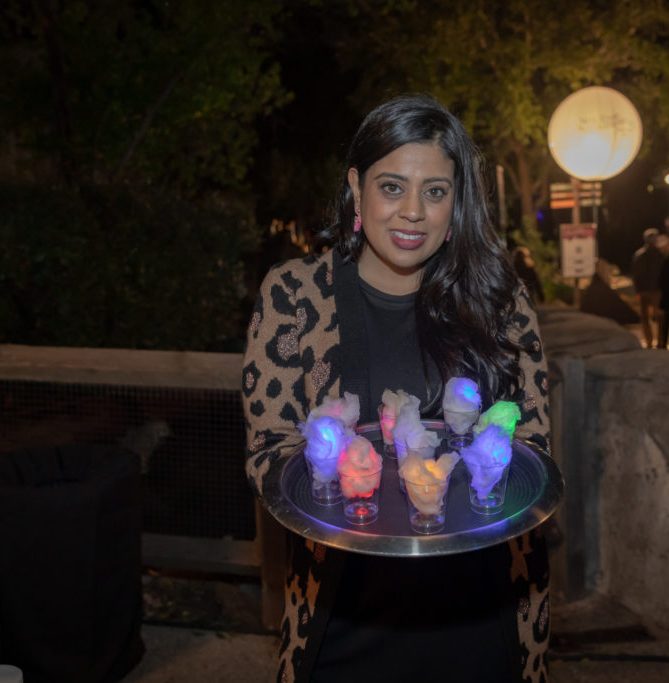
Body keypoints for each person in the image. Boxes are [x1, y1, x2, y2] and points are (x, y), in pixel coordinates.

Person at [242, 94, 552, 683]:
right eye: (392, 187)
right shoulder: (294, 296)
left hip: (482, 618)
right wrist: (340, 467)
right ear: (357, 189)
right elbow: (268, 455)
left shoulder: (498, 302)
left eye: (435, 191)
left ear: (455, 202)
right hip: (344, 621)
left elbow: (534, 448)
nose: (413, 211)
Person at [630, 228, 665, 348]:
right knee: (660, 317)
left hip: (644, 291)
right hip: (657, 291)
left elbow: (635, 275)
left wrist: (638, 290)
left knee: (645, 318)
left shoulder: (639, 255)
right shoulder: (660, 255)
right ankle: (660, 341)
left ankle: (649, 342)